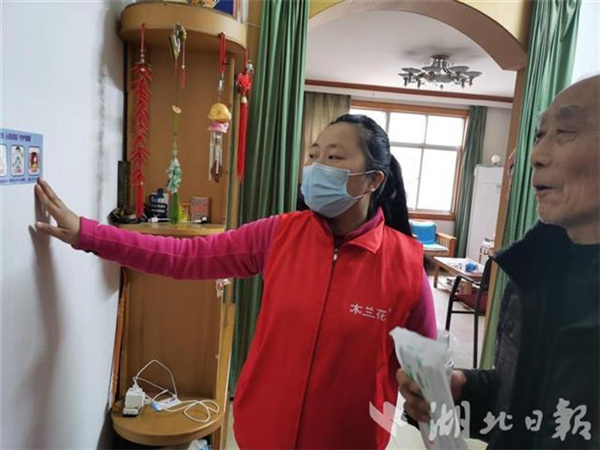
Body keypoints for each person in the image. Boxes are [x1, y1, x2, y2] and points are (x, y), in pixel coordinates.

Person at [35, 114, 437, 449]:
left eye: (334, 157)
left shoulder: (405, 265)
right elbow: (185, 257)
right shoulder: (280, 234)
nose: (316, 167)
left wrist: (429, 405)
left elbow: (430, 378)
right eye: (313, 155)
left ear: (373, 180)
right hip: (261, 434)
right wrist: (88, 234)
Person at [398, 75, 600, 448]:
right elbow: (517, 401)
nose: (536, 156)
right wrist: (460, 389)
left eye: (566, 132)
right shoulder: (535, 271)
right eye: (539, 135)